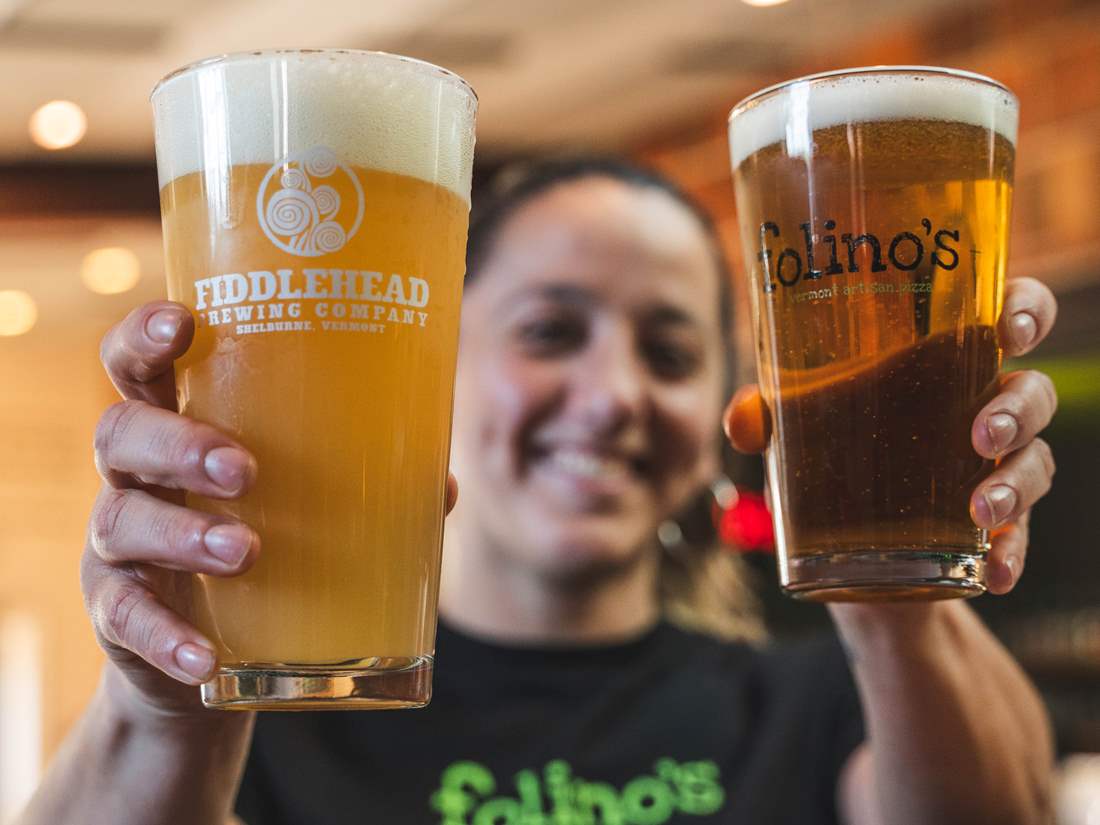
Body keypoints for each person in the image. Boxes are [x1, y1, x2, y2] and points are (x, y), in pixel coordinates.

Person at [20, 157, 1058, 825]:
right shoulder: (279, 716)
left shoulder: (822, 699)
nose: (611, 397)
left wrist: (895, 593)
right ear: (435, 362)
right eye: (549, 333)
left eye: (667, 351)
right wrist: (162, 709)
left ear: (724, 409)